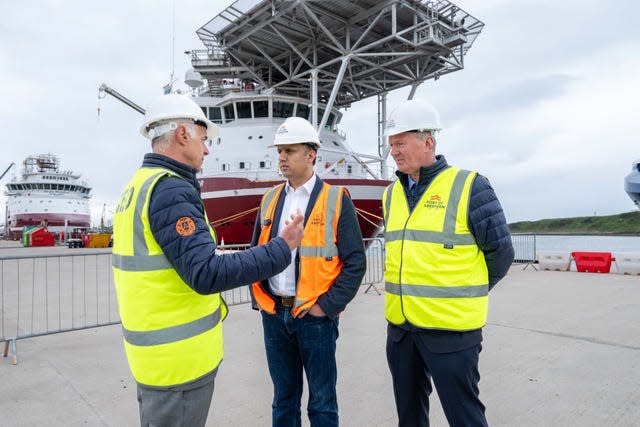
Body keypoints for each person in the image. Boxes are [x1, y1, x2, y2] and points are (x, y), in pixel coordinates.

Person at [111, 94, 304, 427]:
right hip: (178, 362)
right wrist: (281, 249)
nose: (208, 149)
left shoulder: (137, 186)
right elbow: (205, 274)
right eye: (203, 138)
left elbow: (172, 260)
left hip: (153, 356)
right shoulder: (171, 190)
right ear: (183, 134)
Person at [382, 99, 514, 427]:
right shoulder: (390, 194)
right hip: (401, 331)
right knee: (409, 418)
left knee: (464, 417)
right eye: (391, 145)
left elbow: (501, 253)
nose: (394, 152)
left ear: (428, 142)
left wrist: (465, 293)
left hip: (451, 332)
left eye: (401, 143)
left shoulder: (470, 186)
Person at [250, 116, 366, 427]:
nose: (282, 158)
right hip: (275, 315)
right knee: (283, 401)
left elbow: (356, 262)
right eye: (279, 151)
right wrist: (261, 302)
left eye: (290, 150)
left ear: (311, 154)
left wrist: (325, 307)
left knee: (323, 403)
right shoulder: (269, 199)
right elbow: (257, 255)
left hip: (315, 319)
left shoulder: (336, 199)